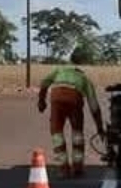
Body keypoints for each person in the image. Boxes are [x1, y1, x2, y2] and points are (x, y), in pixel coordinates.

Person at [36, 47, 105, 178]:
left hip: (56, 97)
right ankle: (77, 168)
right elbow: (94, 106)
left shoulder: (59, 70)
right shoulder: (84, 79)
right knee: (77, 133)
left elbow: (44, 83)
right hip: (74, 99)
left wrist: (41, 101)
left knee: (57, 132)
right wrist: (100, 127)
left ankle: (63, 169)